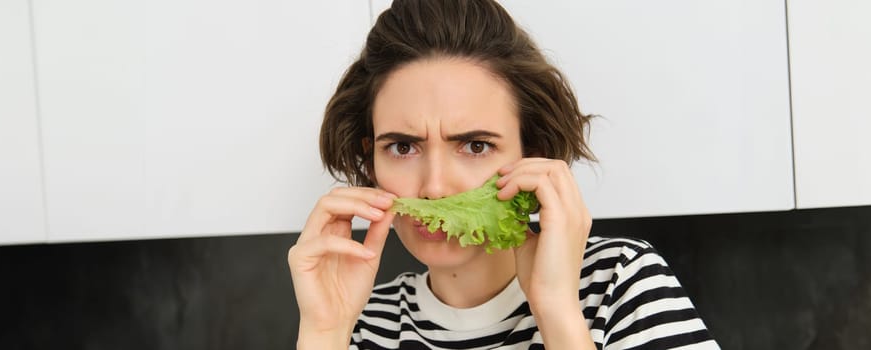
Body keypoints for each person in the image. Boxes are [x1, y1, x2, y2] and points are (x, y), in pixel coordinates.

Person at [288, 0, 719, 349]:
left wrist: (556, 311)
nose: (435, 186)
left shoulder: (619, 283)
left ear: (533, 157)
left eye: (476, 146)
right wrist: (324, 333)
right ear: (370, 165)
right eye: (403, 147)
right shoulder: (358, 322)